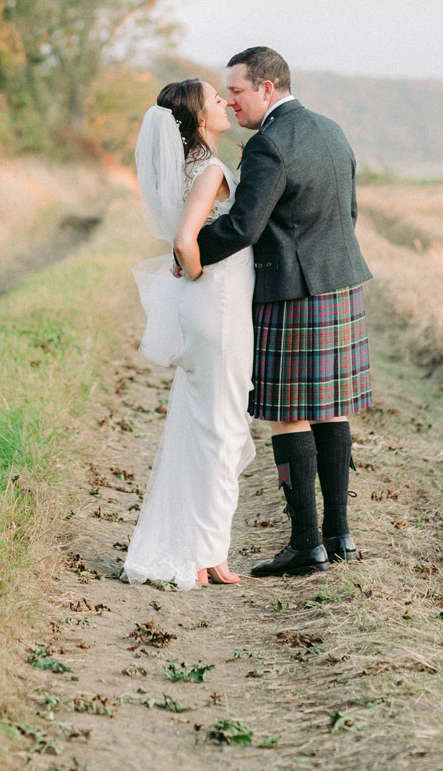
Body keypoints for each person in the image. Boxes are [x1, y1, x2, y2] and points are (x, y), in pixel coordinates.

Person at [195, 46, 372, 576]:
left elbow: (245, 226)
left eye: (238, 91)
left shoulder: (268, 145)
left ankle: (304, 545)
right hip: (340, 284)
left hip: (293, 291)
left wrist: (190, 253)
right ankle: (339, 536)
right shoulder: (331, 130)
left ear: (266, 89)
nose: (232, 101)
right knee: (331, 408)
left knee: (287, 414)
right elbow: (351, 211)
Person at [124, 78, 255, 591]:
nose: (224, 102)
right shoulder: (212, 171)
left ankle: (204, 547)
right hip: (217, 306)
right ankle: (206, 554)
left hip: (212, 308)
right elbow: (185, 240)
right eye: (215, 98)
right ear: (200, 120)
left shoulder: (191, 168)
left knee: (206, 425)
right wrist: (198, 273)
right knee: (221, 430)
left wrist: (193, 269)